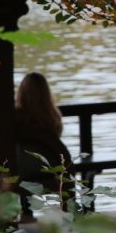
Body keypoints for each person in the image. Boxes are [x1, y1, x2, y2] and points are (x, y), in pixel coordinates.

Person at [15, 73, 74, 218]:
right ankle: (69, 220)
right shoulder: (52, 116)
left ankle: (24, 212)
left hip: (20, 171)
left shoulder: (15, 116)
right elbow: (57, 146)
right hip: (50, 170)